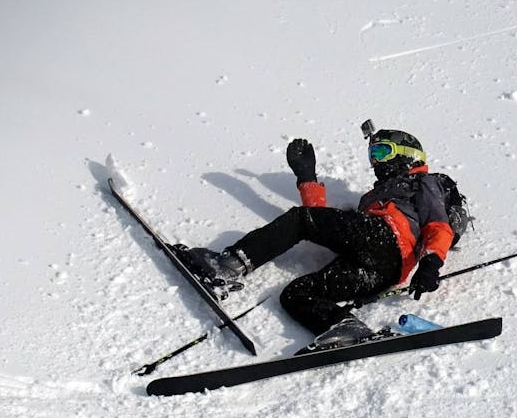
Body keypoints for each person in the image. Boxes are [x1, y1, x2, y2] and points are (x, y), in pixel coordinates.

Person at [181, 127, 456, 350]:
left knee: (302, 219)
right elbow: (323, 219)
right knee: (296, 294)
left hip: (387, 237)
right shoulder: (372, 198)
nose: (376, 162)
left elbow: (438, 224)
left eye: (383, 152)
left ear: (409, 154)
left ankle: (227, 266)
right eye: (373, 155)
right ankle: (345, 326)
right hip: (384, 271)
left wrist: (431, 263)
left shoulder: (424, 182)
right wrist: (307, 177)